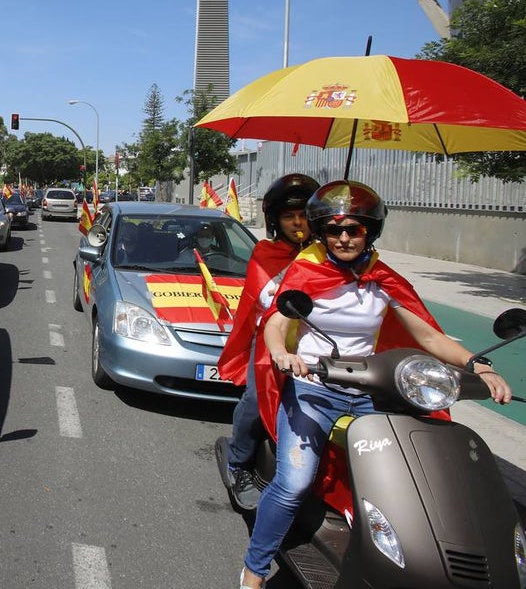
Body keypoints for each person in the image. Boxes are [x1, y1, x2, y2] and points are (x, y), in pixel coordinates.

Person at [238, 180, 512, 589]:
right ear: (320, 232)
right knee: (293, 483)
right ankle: (254, 571)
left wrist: (479, 366)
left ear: (371, 231)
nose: (344, 237)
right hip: (314, 387)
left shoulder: (383, 278)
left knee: (409, 479)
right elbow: (277, 323)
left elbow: (431, 337)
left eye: (355, 228)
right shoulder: (306, 271)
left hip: (370, 393)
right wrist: (282, 353)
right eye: (333, 229)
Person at [216, 173, 319, 511]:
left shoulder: (327, 253)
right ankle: (239, 463)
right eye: (289, 217)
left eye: (304, 214)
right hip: (271, 343)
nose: (297, 222)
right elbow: (265, 300)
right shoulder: (266, 253)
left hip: (321, 344)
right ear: (276, 221)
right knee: (256, 397)